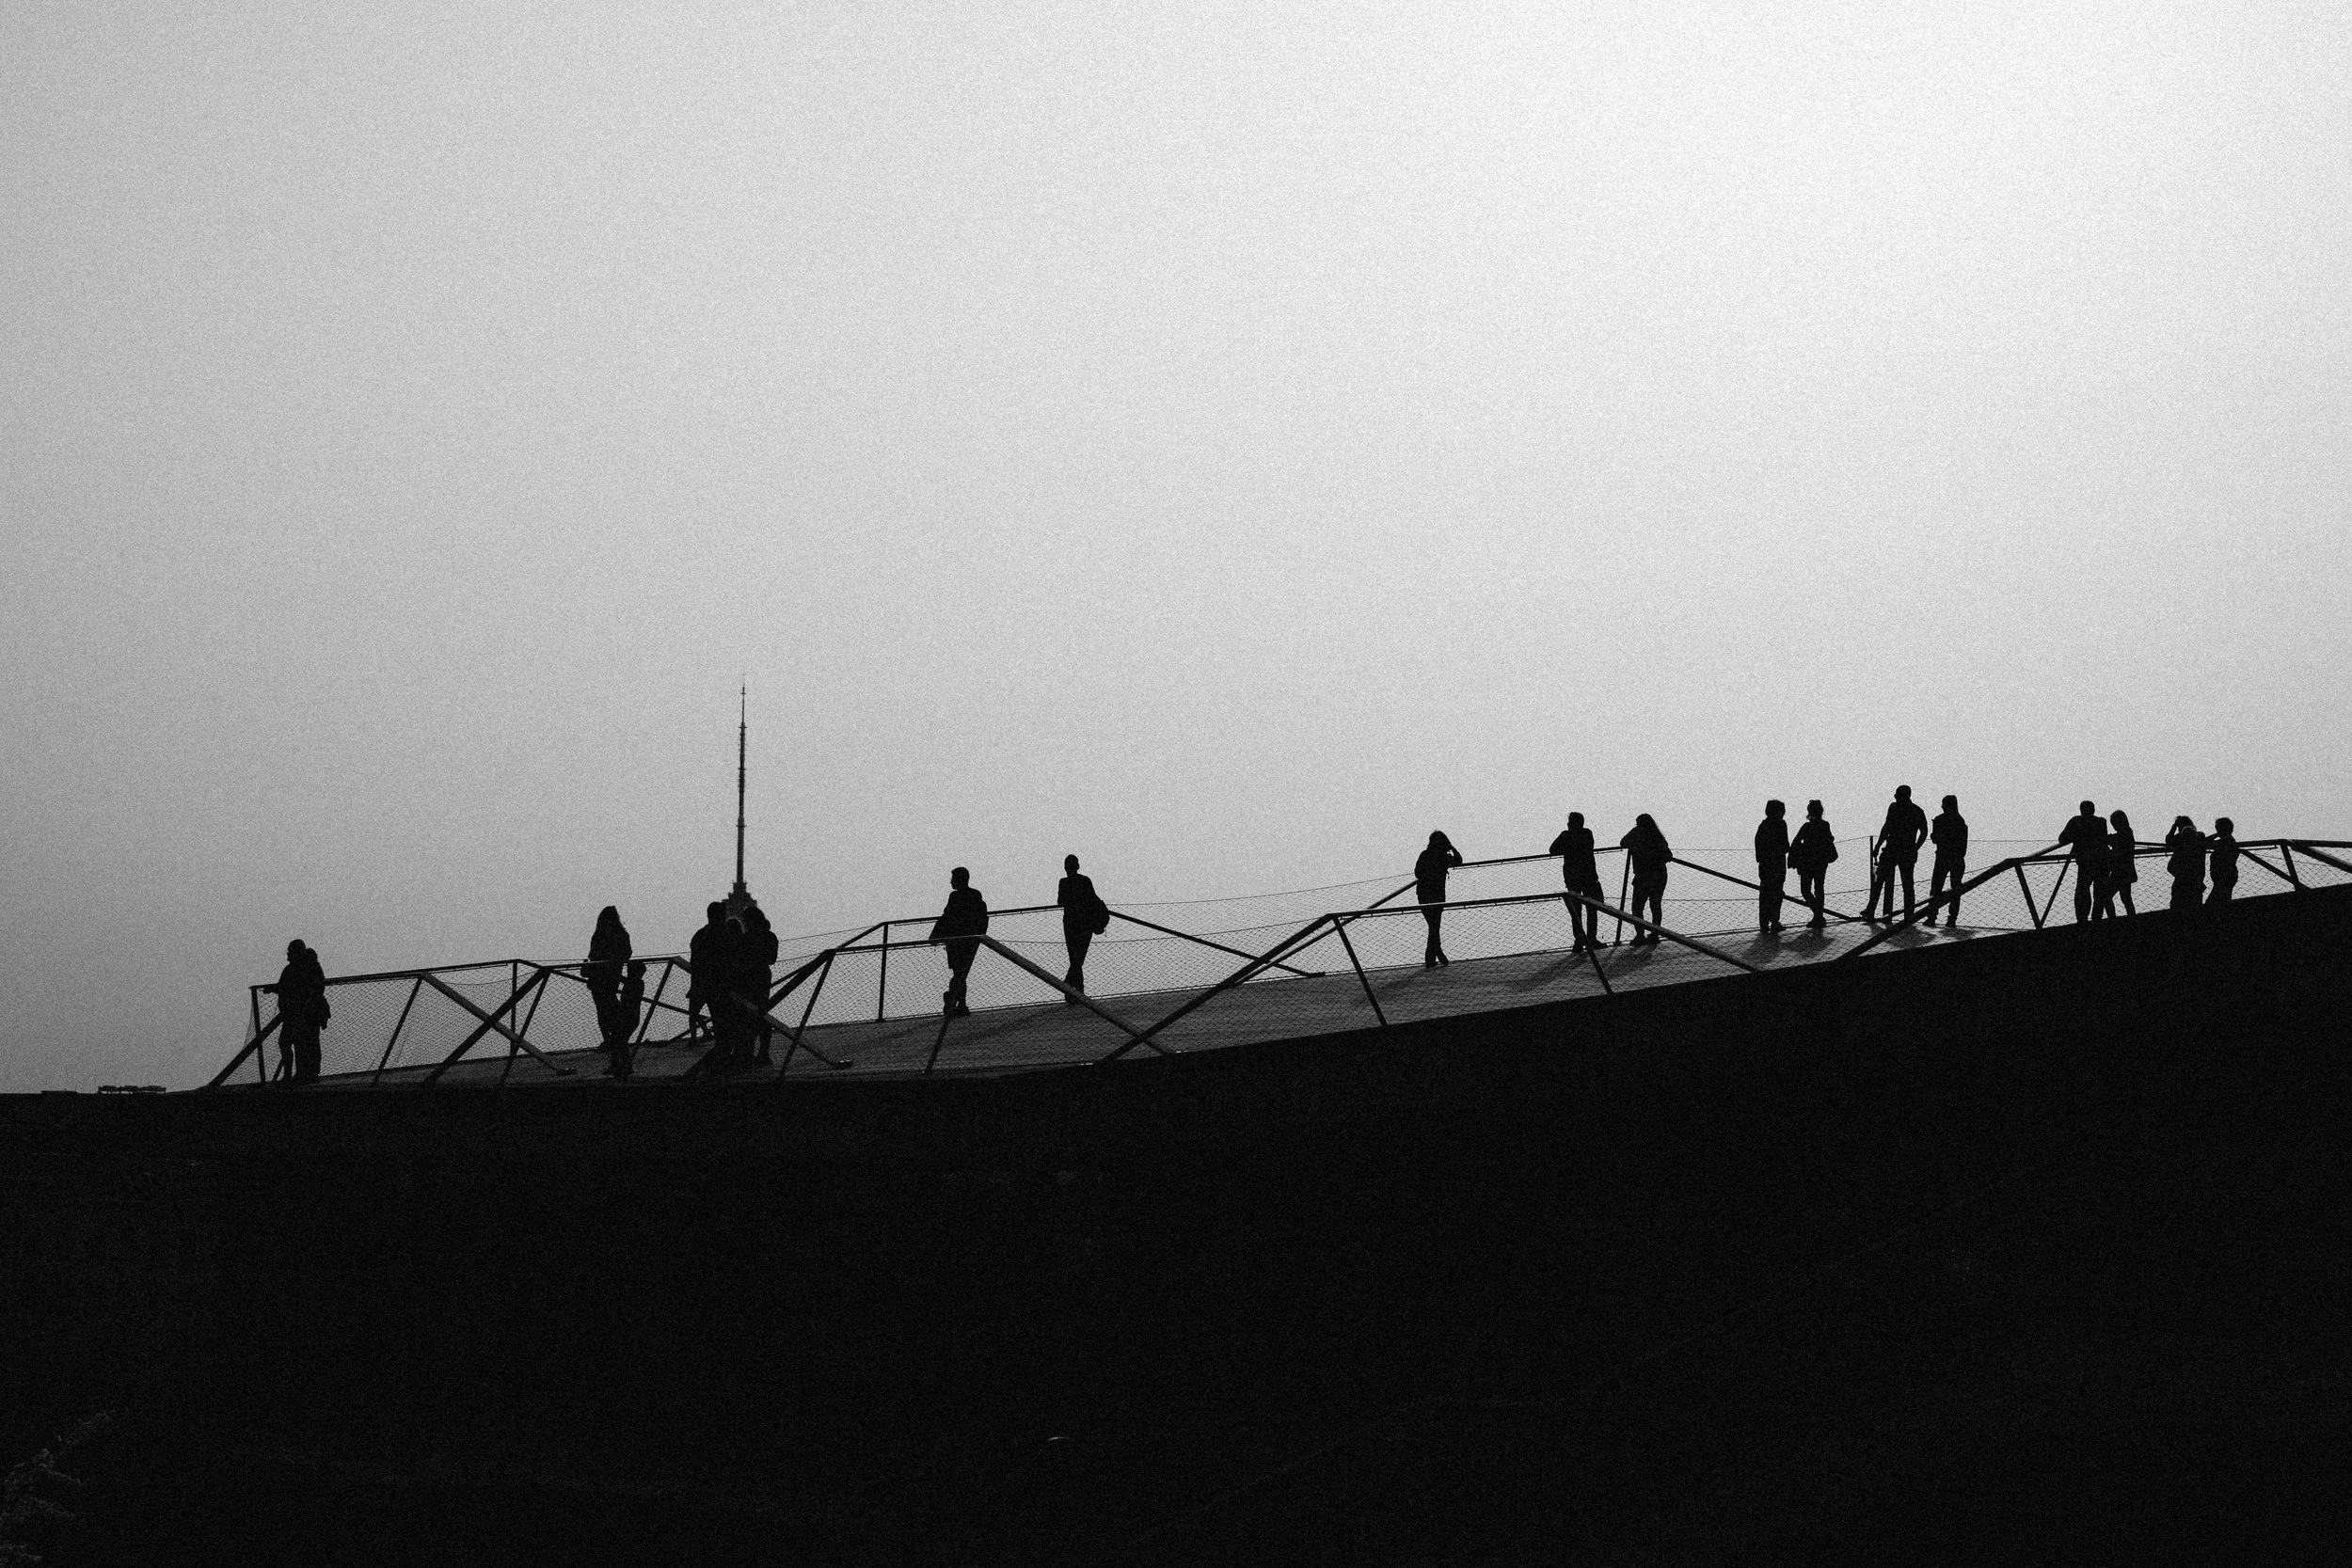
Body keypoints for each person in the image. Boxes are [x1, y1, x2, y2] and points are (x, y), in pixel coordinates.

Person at [1864, 786, 1929, 924]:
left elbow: (1887, 827)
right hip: (1903, 851)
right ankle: (1908, 916)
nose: (1895, 798)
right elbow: (1923, 832)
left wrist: (1878, 845)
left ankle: (1872, 911)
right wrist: (1915, 848)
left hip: (1894, 850)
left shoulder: (1896, 808)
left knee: (1882, 882)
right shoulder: (1916, 811)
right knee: (1906, 884)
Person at [930, 867, 990, 1017]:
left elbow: (947, 916)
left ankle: (953, 998)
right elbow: (982, 916)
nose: (950, 882)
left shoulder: (955, 897)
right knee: (962, 973)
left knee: (959, 973)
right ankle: (959, 1002)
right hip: (969, 941)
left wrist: (935, 935)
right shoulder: (975, 894)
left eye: (953, 878)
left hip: (957, 941)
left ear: (959, 879)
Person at [269, 940, 329, 1085]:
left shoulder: (308, 968)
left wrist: (305, 1004)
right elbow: (285, 986)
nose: (288, 954)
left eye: (290, 951)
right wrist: (274, 989)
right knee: (290, 1042)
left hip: (307, 1013)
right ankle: (293, 1075)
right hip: (292, 1014)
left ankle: (306, 1074)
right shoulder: (292, 968)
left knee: (304, 1043)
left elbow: (315, 988)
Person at [1549, 813, 1605, 952]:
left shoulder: (1566, 836)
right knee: (1591, 909)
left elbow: (1553, 850)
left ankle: (1579, 940)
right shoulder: (1587, 834)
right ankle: (1591, 938)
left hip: (1573, 877)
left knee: (1576, 910)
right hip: (1589, 876)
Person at [1056, 855, 1108, 1001]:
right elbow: (1093, 898)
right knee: (1078, 959)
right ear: (1078, 866)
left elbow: (1060, 902)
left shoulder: (1063, 883)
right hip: (1085, 924)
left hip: (1070, 924)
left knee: (1074, 958)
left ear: (1066, 868)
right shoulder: (1085, 881)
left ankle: (1071, 990)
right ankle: (1074, 990)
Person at [584, 906, 631, 1056]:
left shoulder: (598, 935)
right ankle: (616, 1038)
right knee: (611, 1005)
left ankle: (609, 1039)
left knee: (602, 1009)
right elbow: (627, 953)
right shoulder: (621, 935)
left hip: (598, 977)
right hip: (612, 976)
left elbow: (592, 954)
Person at [1414, 831, 1465, 967]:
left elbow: (1417, 873)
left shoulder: (1425, 855)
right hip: (1437, 896)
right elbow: (1459, 861)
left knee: (1433, 926)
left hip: (1424, 894)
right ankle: (1435, 955)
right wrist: (1452, 848)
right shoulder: (1444, 857)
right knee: (1434, 926)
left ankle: (1433, 957)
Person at [1619, 815, 1671, 944]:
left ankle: (1641, 935)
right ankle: (1654, 934)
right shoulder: (1657, 836)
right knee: (1655, 905)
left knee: (1637, 907)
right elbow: (1668, 855)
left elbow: (1623, 842)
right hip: (1658, 875)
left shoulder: (1638, 835)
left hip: (1644, 876)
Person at [1788, 801, 1837, 932]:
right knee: (1819, 888)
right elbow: (1829, 840)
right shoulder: (1825, 825)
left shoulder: (1807, 827)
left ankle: (1818, 915)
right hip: (1821, 862)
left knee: (1806, 890)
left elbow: (1796, 841)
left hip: (1807, 862)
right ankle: (1818, 915)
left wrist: (1795, 856)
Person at [2058, 800, 2109, 923]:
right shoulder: (2101, 822)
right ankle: (2097, 918)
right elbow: (2103, 840)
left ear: (2081, 810)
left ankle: (2082, 919)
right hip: (2102, 862)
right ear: (2093, 810)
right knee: (2099, 891)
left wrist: (2077, 837)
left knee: (2082, 891)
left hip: (2085, 863)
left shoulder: (2076, 821)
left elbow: (2062, 838)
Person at [686, 901, 731, 1044]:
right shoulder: (724, 935)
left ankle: (694, 1038)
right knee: (719, 1016)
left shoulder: (699, 935)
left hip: (700, 981)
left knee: (693, 1012)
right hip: (718, 983)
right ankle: (720, 1043)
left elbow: (694, 960)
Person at [741, 905, 779, 1061]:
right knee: (762, 1012)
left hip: (748, 978)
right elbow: (772, 959)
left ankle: (748, 1053)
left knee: (749, 1015)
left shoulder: (747, 938)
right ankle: (763, 1052)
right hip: (763, 976)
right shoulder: (770, 936)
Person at [1927, 796, 1968, 927]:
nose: (1942, 806)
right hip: (1957, 859)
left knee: (1936, 889)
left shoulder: (1940, 820)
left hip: (1943, 858)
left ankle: (1932, 917)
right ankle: (1951, 919)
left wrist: (1935, 834)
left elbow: (1935, 839)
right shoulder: (1961, 822)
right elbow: (1963, 846)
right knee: (1955, 889)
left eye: (1943, 804)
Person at [606, 958, 646, 1081]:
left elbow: (624, 981)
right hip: (629, 1016)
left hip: (629, 1017)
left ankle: (625, 1065)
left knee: (620, 1041)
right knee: (617, 1039)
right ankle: (617, 1065)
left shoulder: (635, 983)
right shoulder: (636, 982)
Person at [1753, 800, 1789, 933]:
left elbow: (1758, 846)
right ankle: (1774, 921)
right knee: (1777, 893)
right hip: (1778, 865)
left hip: (1765, 866)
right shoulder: (1781, 825)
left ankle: (1764, 924)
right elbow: (1785, 846)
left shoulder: (1763, 826)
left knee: (1765, 895)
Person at [2164, 816, 2206, 913]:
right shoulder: (2200, 837)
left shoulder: (2179, 839)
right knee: (2196, 909)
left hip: (2181, 880)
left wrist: (2173, 827)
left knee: (2177, 908)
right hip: (2197, 880)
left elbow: (2168, 840)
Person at [2104, 810, 2138, 917]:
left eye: (2114, 823)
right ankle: (2131, 919)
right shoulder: (2128, 832)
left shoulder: (2125, 833)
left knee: (2106, 896)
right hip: (2126, 870)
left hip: (2120, 871)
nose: (2113, 826)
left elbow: (2115, 840)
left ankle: (2113, 919)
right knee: (2126, 897)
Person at [2208, 817, 2240, 906]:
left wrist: (2216, 835)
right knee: (2223, 901)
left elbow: (2205, 842)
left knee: (2214, 904)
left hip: (2224, 877)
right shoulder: (2228, 840)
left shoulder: (2226, 841)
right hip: (2226, 877)